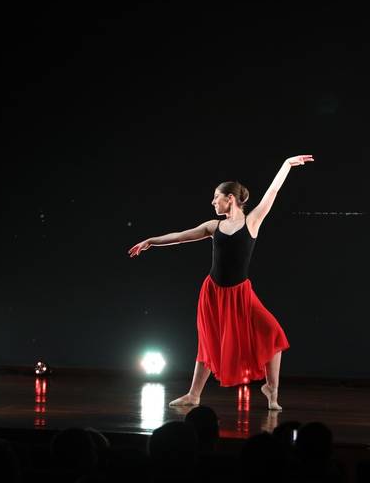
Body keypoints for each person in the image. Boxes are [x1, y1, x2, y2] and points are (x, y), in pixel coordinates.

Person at [128, 155, 314, 410]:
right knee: (209, 341)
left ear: (230, 198)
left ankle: (272, 390)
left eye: (216, 197)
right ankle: (194, 395)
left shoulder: (252, 221)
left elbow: (272, 192)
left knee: (273, 332)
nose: (213, 201)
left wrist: (286, 165)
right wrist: (151, 241)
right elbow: (181, 236)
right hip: (213, 292)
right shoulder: (213, 226)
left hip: (240, 294)